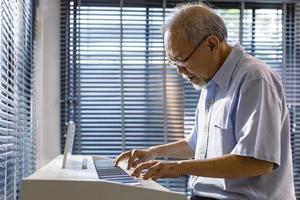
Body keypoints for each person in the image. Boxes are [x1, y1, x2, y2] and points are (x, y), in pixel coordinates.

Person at [114, 2, 296, 200]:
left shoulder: (254, 79)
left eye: (182, 59)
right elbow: (196, 145)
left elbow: (258, 162)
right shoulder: (210, 81)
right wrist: (153, 152)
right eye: (173, 62)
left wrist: (176, 168)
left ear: (212, 44)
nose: (179, 70)